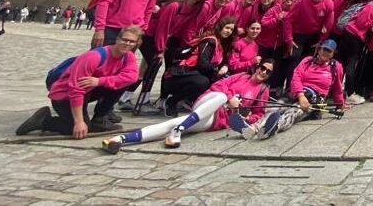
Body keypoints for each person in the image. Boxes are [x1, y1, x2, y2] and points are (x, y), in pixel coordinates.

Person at [101, 57, 275, 153]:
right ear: (257, 67)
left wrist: (246, 116)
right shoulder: (241, 76)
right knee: (221, 96)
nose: (264, 72)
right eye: (263, 68)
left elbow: (258, 113)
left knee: (171, 125)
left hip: (216, 119)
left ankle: (121, 140)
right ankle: (179, 131)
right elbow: (218, 85)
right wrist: (230, 98)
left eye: (268, 72)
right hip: (208, 102)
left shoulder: (263, 90)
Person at [17, 26, 143, 137]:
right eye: (124, 39)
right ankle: (44, 120)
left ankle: (99, 119)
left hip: (89, 89)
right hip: (65, 95)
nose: (127, 43)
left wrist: (99, 81)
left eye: (131, 41)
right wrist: (79, 122)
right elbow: (75, 89)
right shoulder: (94, 56)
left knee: (120, 83)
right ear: (117, 39)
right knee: (78, 129)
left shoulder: (128, 56)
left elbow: (131, 77)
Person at [163, 16, 237, 115]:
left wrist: (225, 66)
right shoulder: (210, 41)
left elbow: (221, 62)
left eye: (231, 29)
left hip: (192, 75)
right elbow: (202, 65)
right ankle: (172, 101)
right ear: (220, 27)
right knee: (204, 82)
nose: (229, 31)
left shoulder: (221, 44)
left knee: (217, 80)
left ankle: (189, 101)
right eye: (227, 28)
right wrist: (217, 69)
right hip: (178, 76)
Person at [290, 40, 346, 117]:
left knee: (292, 113)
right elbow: (296, 77)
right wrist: (301, 96)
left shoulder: (336, 67)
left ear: (333, 54)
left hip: (316, 99)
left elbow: (337, 87)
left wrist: (340, 103)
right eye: (324, 49)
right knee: (276, 108)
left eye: (329, 51)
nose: (325, 52)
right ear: (319, 50)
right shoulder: (307, 60)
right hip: (300, 93)